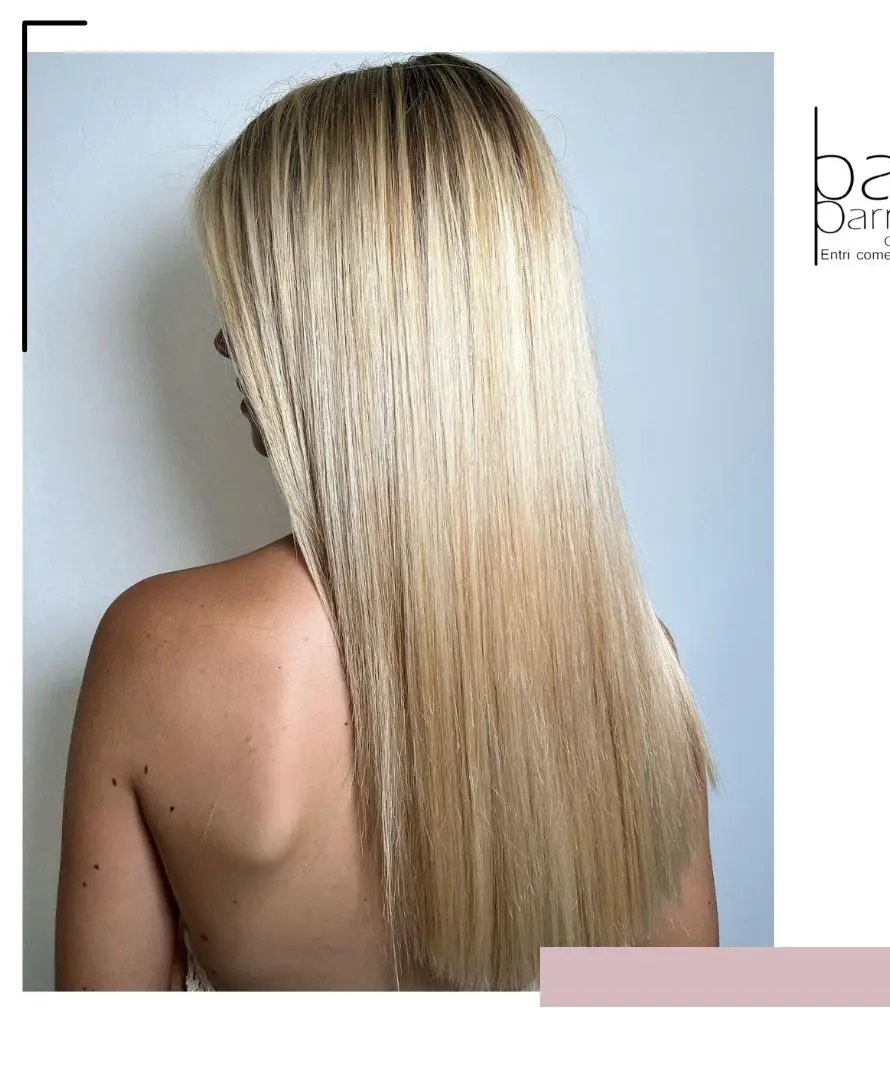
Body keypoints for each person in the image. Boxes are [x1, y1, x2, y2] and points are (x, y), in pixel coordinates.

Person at [54, 52, 718, 992]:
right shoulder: (634, 668)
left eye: (249, 300)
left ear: (336, 331)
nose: (226, 342)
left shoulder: (160, 649)